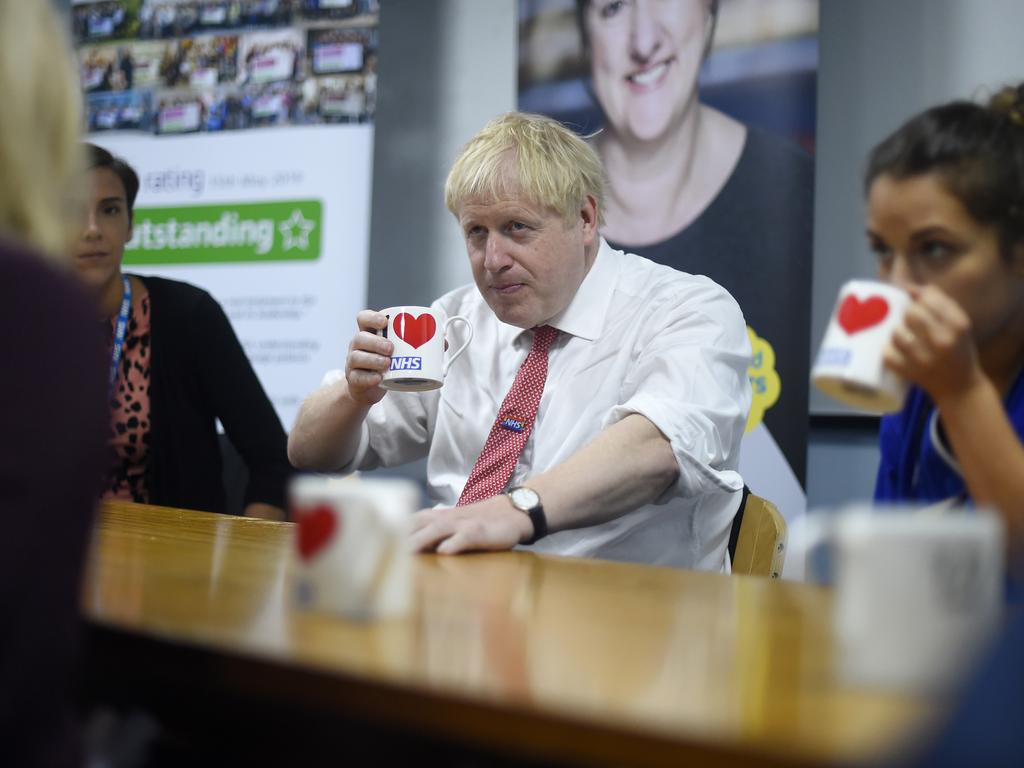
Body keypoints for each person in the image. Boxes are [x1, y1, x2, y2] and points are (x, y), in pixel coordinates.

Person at [289, 111, 751, 569]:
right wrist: (353, 397)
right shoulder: (453, 320)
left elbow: (658, 448)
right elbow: (309, 452)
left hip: (624, 615)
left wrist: (515, 511)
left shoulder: (688, 310)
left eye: (516, 228)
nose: (492, 260)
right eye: (476, 232)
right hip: (456, 597)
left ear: (586, 218)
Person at [574, 0, 814, 485]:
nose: (644, 42)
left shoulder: (796, 187)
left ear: (710, 13)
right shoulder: (535, 217)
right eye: (613, 8)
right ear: (584, 34)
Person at [0, 4, 109, 766]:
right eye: (477, 232)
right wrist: (353, 393)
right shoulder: (38, 311)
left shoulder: (186, 312)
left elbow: (278, 454)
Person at [72, 144, 292, 519]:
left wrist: (240, 562)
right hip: (48, 563)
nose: (93, 229)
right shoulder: (20, 325)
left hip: (173, 560)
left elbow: (274, 461)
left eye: (109, 210)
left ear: (129, 225)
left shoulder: (188, 314)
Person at [870, 84, 1024, 552]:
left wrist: (961, 392)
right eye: (882, 250)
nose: (897, 286)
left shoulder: (946, 381)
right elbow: (893, 566)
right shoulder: (916, 390)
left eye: (934, 249)